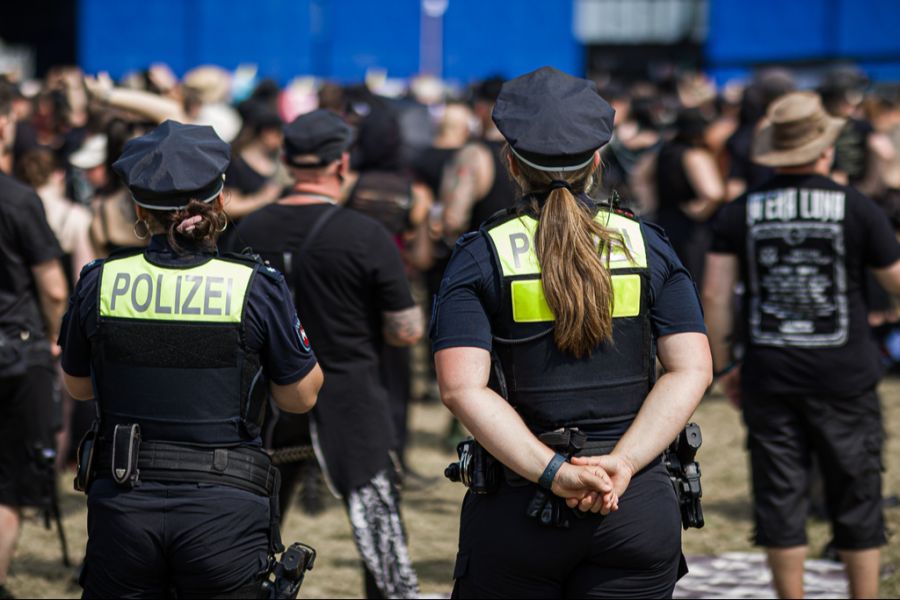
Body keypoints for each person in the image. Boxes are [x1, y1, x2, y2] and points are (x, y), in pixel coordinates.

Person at [431, 66, 712, 598]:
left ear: (510, 163)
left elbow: (460, 388)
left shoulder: (479, 254)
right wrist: (623, 464)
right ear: (598, 161)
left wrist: (555, 472)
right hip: (634, 502)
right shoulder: (646, 243)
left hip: (519, 503)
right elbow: (691, 368)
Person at [58, 120, 323, 598]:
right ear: (220, 201)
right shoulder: (255, 285)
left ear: (139, 208)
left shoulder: (100, 280)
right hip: (223, 511)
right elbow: (301, 397)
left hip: (123, 503)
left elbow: (78, 386)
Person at [703, 91, 900, 600]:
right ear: (826, 149)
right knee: (857, 493)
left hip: (770, 373)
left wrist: (725, 368)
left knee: (779, 496)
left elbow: (715, 295)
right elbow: (895, 279)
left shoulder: (740, 211)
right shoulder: (857, 208)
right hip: (847, 376)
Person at [233, 109, 422, 599]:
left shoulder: (250, 231)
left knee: (249, 522)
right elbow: (405, 330)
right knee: (380, 538)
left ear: (285, 160)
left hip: (271, 396)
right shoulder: (365, 235)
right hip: (351, 393)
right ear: (341, 162)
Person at [0, 85, 69, 600]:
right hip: (16, 352)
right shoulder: (18, 200)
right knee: (7, 484)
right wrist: (55, 338)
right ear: (4, 126)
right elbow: (52, 285)